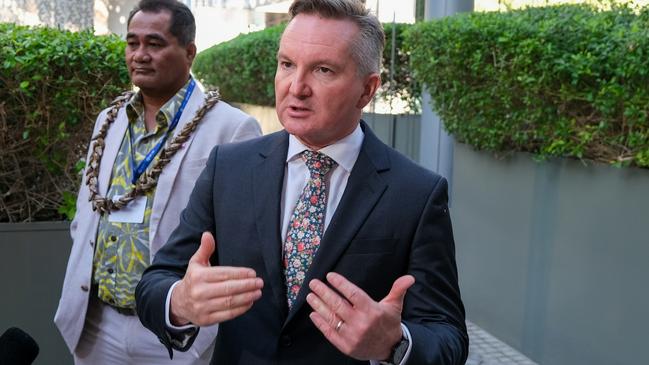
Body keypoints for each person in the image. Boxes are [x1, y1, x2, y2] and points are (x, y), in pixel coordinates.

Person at [136, 0, 468, 364]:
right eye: (287, 64)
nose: (296, 87)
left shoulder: (416, 194)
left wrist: (396, 344)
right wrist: (180, 301)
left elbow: (447, 335)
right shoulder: (228, 168)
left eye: (323, 70)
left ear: (367, 90)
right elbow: (156, 282)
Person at [54, 0, 261, 363]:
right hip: (95, 322)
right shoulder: (110, 120)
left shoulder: (232, 128)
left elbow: (244, 237)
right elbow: (87, 213)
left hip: (175, 331)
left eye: (155, 43)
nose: (140, 55)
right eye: (132, 43)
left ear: (189, 52)